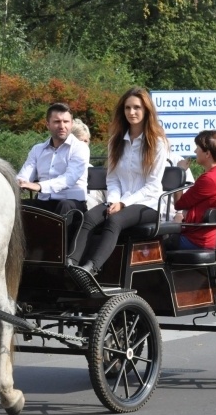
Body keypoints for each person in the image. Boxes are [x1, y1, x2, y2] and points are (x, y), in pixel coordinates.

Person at [70, 87, 168, 275]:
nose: (132, 112)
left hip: (148, 203)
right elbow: (112, 177)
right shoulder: (116, 141)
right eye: (127, 108)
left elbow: (153, 185)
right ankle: (71, 264)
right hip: (119, 199)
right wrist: (115, 200)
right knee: (89, 217)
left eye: (137, 108)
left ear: (146, 110)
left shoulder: (157, 143)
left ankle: (91, 268)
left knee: (114, 220)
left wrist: (123, 203)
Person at [16, 102, 90, 217]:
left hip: (72, 204)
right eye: (57, 122)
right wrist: (18, 183)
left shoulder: (80, 148)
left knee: (65, 206)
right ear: (47, 124)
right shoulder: (37, 149)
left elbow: (69, 179)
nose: (62, 126)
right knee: (16, 205)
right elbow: (24, 175)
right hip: (44, 202)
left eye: (66, 122)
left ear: (71, 124)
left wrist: (39, 186)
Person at [173, 131, 216, 249]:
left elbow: (178, 204)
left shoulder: (209, 179)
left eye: (197, 148)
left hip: (200, 240)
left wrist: (179, 171)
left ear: (207, 153)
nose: (195, 151)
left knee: (157, 242)